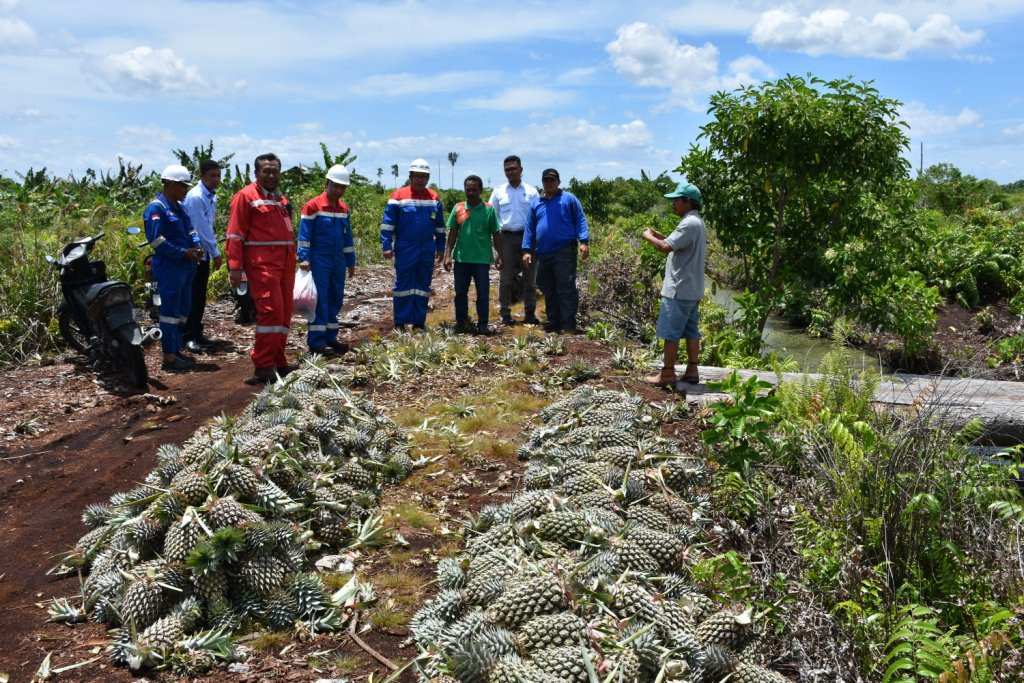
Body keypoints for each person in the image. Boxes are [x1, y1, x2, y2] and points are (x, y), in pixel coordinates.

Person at [226, 153, 297, 383]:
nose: (271, 175)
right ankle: (263, 364)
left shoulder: (279, 199)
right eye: (266, 171)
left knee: (285, 313)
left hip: (285, 264)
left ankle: (278, 360)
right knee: (271, 312)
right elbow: (235, 234)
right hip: (263, 265)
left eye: (275, 171)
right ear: (256, 173)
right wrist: (235, 267)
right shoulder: (245, 197)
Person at [641, 182, 706, 387]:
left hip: (678, 289)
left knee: (671, 333)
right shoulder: (697, 222)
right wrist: (662, 236)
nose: (673, 204)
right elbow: (675, 243)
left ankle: (667, 374)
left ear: (687, 201)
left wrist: (649, 237)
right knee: (691, 331)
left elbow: (665, 247)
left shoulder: (688, 223)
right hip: (692, 289)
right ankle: (692, 370)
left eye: (676, 200)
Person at [143, 164, 203, 372]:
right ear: (170, 184)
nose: (186, 190)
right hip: (170, 267)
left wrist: (196, 245)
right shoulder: (156, 208)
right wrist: (181, 253)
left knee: (183, 309)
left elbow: (191, 229)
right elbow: (156, 241)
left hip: (186, 267)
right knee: (169, 312)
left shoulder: (180, 206)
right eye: (182, 186)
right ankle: (169, 356)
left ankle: (177, 349)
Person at [380, 158, 446, 331]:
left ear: (428, 178)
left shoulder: (434, 198)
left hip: (426, 248)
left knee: (423, 284)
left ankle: (418, 322)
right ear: (410, 176)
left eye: (424, 176)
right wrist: (386, 245)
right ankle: (400, 322)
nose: (420, 179)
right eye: (417, 176)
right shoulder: (397, 197)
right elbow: (388, 224)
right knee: (403, 284)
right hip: (405, 246)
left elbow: (439, 226)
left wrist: (441, 247)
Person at [521, 168, 589, 333]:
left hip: (564, 250)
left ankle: (567, 325)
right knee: (547, 288)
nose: (549, 183)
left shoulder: (568, 199)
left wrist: (584, 241)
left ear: (558, 182)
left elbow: (580, 219)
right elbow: (530, 227)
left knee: (565, 287)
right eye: (546, 180)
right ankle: (554, 320)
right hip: (542, 252)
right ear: (542, 182)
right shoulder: (537, 202)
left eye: (552, 180)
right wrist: (526, 250)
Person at [298, 164, 356, 355]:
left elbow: (347, 237)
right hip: (318, 259)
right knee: (320, 299)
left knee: (336, 298)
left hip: (337, 260)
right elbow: (304, 236)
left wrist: (350, 261)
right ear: (328, 183)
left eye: (343, 187)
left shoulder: (344, 208)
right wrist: (304, 259)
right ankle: (316, 342)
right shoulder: (313, 206)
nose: (339, 190)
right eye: (337, 186)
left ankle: (331, 337)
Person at [443, 175, 502, 334]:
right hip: (461, 259)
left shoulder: (488, 209)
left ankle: (482, 325)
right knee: (460, 293)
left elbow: (496, 234)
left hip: (481, 260)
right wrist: (447, 255)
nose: (471, 192)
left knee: (483, 294)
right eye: (468, 189)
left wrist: (499, 255)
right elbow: (452, 233)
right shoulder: (459, 208)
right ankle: (461, 323)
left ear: (480, 190)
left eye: (474, 189)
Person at [488, 155, 540, 325]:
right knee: (505, 279)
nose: (510, 172)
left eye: (513, 168)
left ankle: (530, 313)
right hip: (506, 238)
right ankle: (505, 314)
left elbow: (538, 216)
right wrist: (495, 247)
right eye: (507, 169)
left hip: (528, 238)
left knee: (530, 279)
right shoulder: (498, 191)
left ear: (521, 170)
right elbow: (492, 217)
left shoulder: (532, 191)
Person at [181, 159, 223, 352]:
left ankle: (196, 332)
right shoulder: (197, 197)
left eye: (218, 175)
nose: (216, 179)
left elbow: (208, 225)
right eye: (212, 176)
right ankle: (188, 335)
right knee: (193, 295)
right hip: (194, 253)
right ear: (202, 176)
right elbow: (201, 228)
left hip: (202, 252)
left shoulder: (210, 196)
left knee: (199, 295)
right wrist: (215, 252)